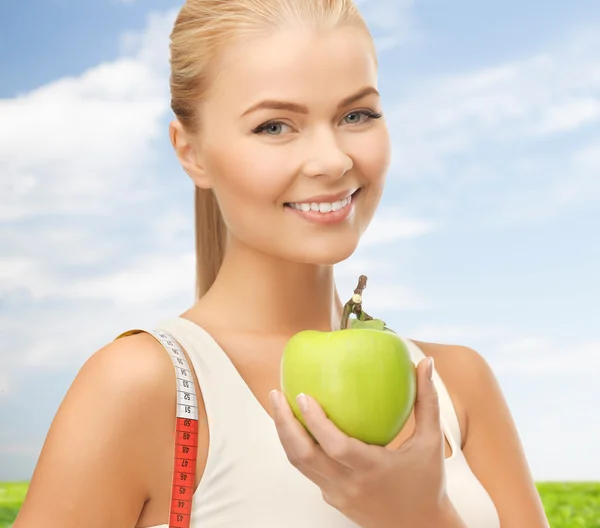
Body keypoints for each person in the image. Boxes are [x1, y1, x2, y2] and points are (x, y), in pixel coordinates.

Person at [13, 1, 551, 527]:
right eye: (274, 126)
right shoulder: (141, 389)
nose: (333, 160)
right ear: (190, 152)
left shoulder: (459, 385)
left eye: (356, 115)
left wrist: (420, 518)